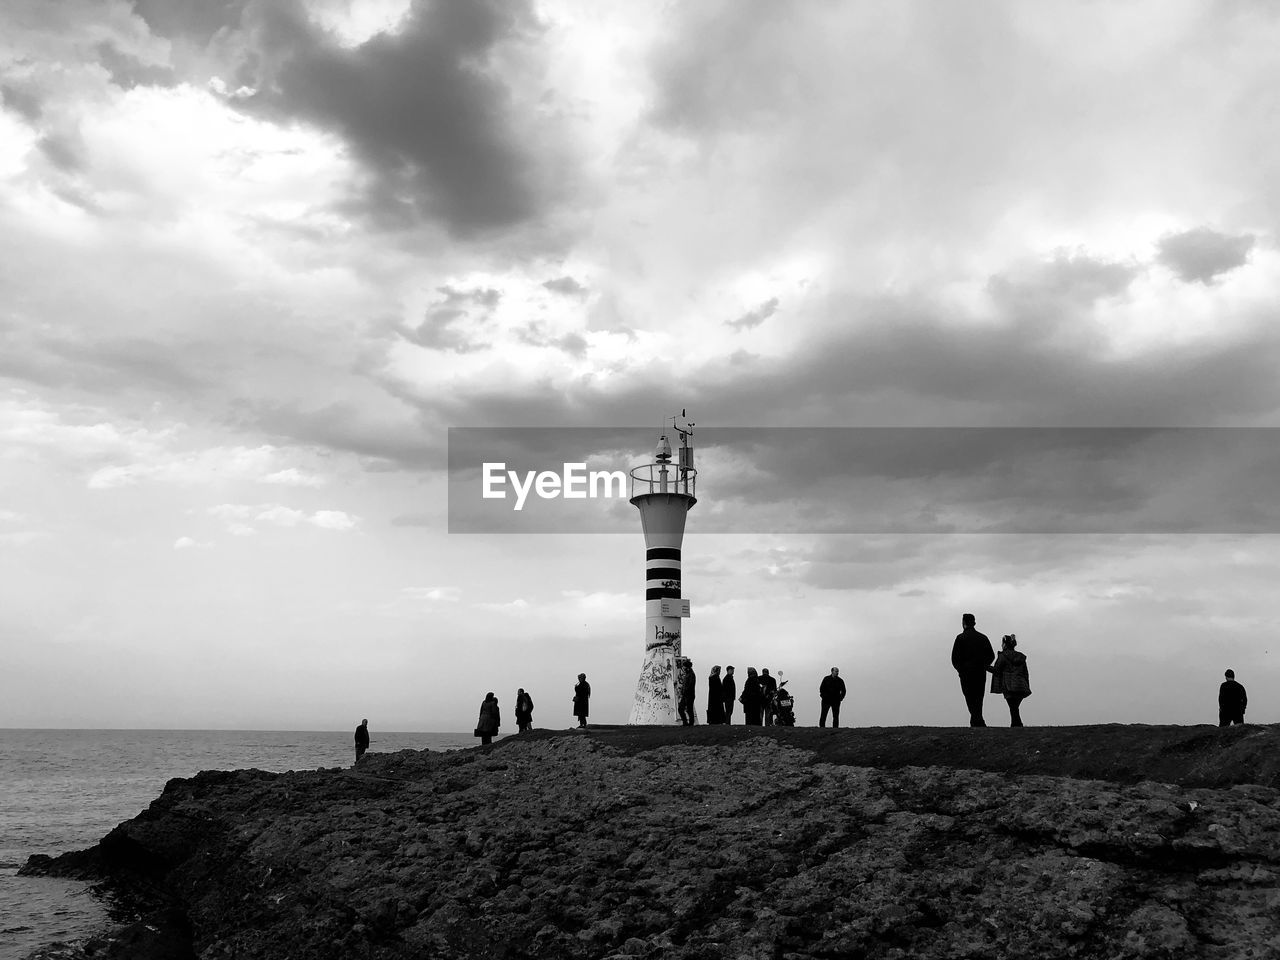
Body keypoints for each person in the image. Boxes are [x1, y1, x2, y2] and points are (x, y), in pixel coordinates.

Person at [951, 613, 995, 727]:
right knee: (979, 696)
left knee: (969, 696)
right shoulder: (983, 638)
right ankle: (977, 719)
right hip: (980, 672)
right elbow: (991, 656)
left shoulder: (960, 638)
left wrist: (960, 669)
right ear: (974, 622)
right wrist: (984, 665)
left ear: (963, 623)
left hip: (966, 673)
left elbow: (954, 658)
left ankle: (977, 720)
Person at [987, 635, 1031, 727]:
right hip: (1021, 685)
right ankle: (1016, 724)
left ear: (1004, 644)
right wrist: (1026, 684)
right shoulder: (1021, 657)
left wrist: (985, 667)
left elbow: (997, 670)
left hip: (1008, 685)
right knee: (1014, 707)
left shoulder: (1003, 656)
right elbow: (1025, 673)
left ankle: (1017, 725)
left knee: (1013, 707)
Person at [679, 659, 697, 726]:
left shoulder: (691, 675)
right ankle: (686, 722)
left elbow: (690, 685)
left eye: (684, 667)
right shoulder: (688, 674)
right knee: (681, 709)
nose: (683, 668)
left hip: (689, 695)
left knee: (689, 709)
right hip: (686, 694)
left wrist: (684, 691)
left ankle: (690, 723)